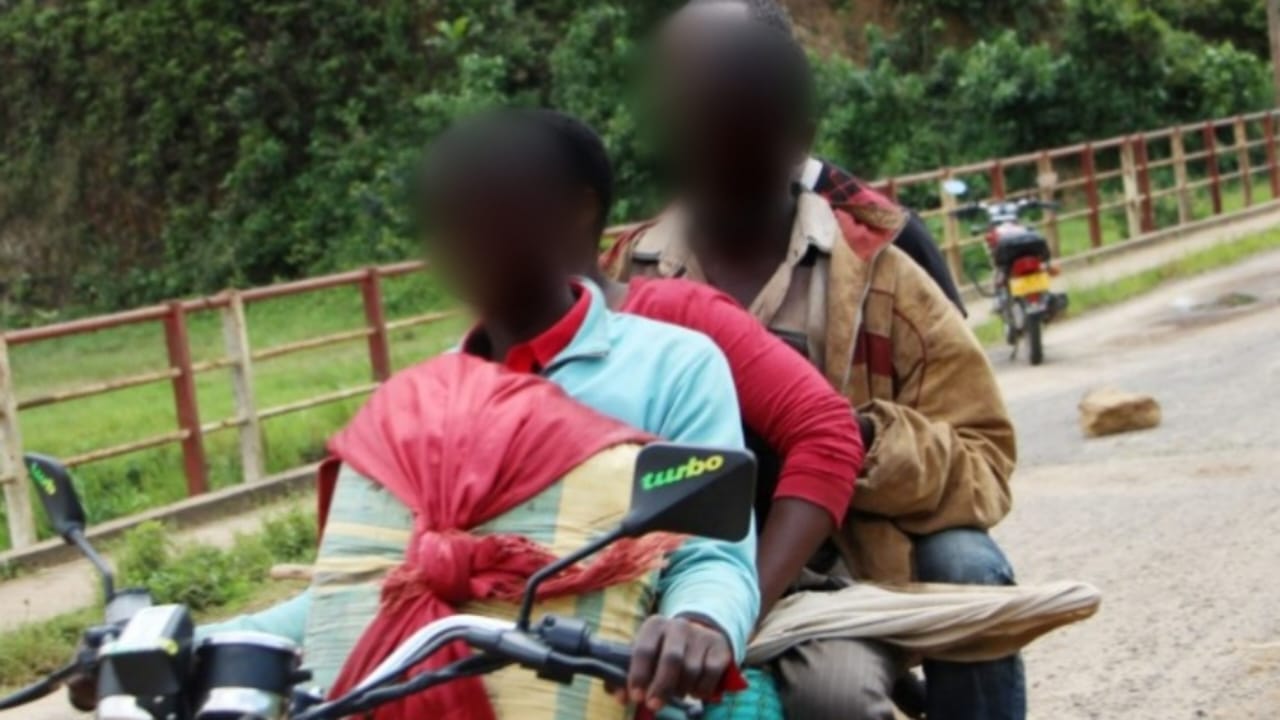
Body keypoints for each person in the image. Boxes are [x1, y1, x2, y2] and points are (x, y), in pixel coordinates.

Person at [73, 111, 761, 719]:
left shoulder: (673, 363)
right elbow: (364, 588)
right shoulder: (419, 403)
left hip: (610, 688)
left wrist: (696, 623)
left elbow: (714, 554)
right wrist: (183, 641)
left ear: (565, 219)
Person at [603, 3, 1022, 719]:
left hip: (839, 574)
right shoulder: (629, 269)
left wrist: (858, 440)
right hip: (673, 578)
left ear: (797, 131)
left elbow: (984, 461)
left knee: (962, 572)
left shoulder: (883, 271)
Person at [524, 108, 864, 618]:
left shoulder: (680, 322)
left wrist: (738, 611)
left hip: (696, 613)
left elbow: (827, 431)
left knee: (840, 697)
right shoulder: (463, 371)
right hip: (532, 629)